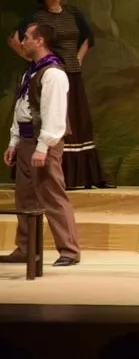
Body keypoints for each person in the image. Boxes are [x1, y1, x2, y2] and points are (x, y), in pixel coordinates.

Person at [8, 0, 112, 190]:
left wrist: (79, 58)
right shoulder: (37, 17)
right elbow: (14, 39)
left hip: (72, 74)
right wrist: (32, 59)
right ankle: (58, 175)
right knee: (54, 119)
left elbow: (88, 37)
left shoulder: (72, 13)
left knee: (77, 124)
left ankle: (81, 177)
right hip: (51, 73)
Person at [0, 23, 82, 266]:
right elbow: (22, 108)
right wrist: (14, 142)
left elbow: (54, 114)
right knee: (25, 198)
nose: (22, 42)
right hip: (27, 140)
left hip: (42, 142)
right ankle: (26, 248)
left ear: (40, 40)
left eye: (26, 37)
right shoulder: (32, 71)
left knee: (52, 195)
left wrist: (43, 147)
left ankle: (69, 250)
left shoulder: (53, 73)